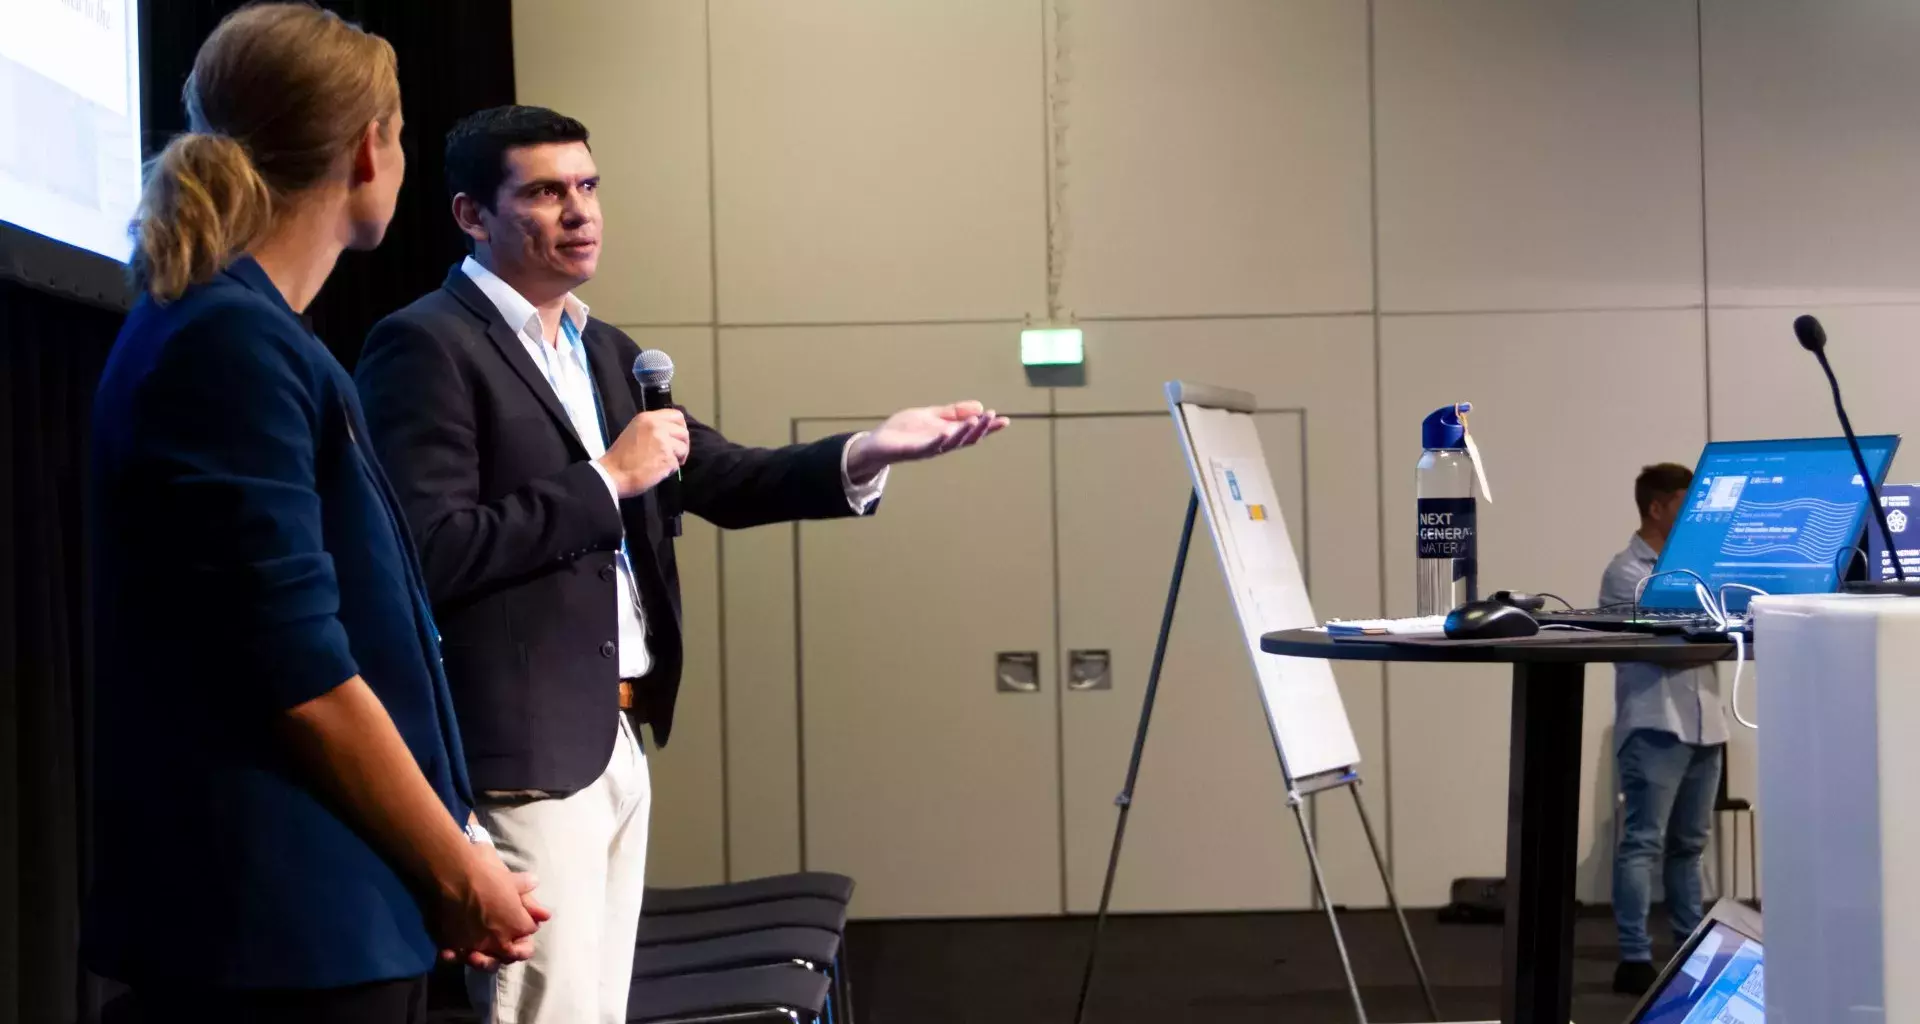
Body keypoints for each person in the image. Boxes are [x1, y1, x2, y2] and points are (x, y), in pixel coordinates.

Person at [352, 104, 1007, 1024]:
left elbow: (731, 478)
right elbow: (428, 550)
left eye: (586, 186)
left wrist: (872, 448)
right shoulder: (428, 344)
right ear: (471, 216)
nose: (579, 212)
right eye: (545, 191)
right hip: (522, 752)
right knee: (549, 1012)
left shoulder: (605, 349)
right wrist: (605, 479)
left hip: (614, 733)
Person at [85, 9, 548, 1022]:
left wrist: (454, 843)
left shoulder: (247, 336)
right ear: (367, 148)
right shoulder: (228, 344)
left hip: (324, 919)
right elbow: (300, 671)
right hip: (283, 941)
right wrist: (458, 868)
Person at [1601, 462, 1729, 995]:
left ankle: (1687, 947)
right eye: (1685, 502)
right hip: (1656, 723)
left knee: (1690, 845)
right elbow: (1669, 648)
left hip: (1706, 724)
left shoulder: (1699, 566)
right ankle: (1634, 957)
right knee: (1642, 843)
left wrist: (1717, 635)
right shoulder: (1628, 571)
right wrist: (1723, 637)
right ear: (1657, 507)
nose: (1695, 513)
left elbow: (1716, 629)